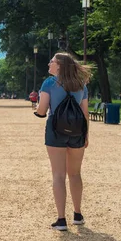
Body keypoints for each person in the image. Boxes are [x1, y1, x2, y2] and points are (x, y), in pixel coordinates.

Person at [35, 52, 91, 231]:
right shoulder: (81, 84)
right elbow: (85, 113)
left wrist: (37, 109)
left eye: (51, 61)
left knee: (58, 175)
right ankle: (77, 214)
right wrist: (86, 135)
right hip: (77, 131)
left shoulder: (49, 83)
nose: (49, 64)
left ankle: (61, 219)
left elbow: (42, 110)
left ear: (59, 65)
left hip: (55, 130)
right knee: (75, 174)